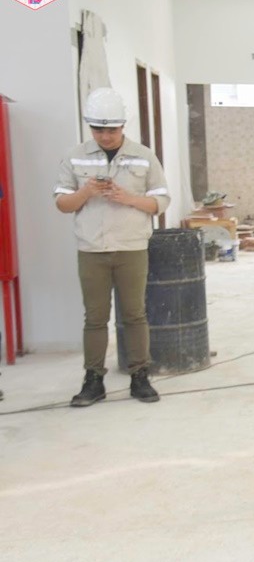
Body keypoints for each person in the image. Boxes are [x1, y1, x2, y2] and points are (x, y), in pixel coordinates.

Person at [53, 87, 170, 406]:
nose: (105, 136)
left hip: (131, 247)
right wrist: (86, 192)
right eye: (98, 129)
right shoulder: (75, 156)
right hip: (91, 249)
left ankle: (140, 376)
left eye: (112, 130)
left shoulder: (144, 156)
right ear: (90, 126)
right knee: (95, 317)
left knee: (134, 314)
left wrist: (127, 198)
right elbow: (62, 204)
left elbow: (161, 201)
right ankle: (93, 380)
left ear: (123, 126)